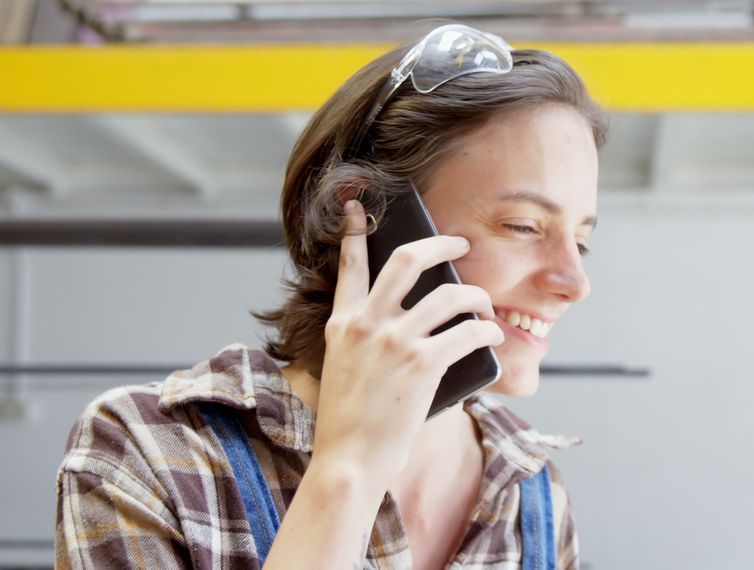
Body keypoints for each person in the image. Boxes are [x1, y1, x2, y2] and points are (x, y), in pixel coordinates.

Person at [55, 23, 607, 570]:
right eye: (522, 226)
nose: (574, 282)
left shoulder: (533, 494)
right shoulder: (147, 454)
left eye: (580, 240)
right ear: (368, 215)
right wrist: (351, 468)